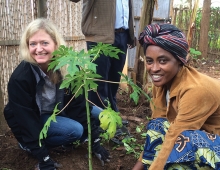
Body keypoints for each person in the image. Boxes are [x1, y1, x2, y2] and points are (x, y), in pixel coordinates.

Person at [3, 18, 110, 170]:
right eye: (33, 44)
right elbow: (26, 120)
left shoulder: (68, 68)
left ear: (56, 44)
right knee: (75, 130)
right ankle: (29, 145)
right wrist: (43, 158)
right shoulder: (20, 78)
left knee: (101, 114)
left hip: (60, 109)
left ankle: (88, 137)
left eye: (44, 43)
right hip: (36, 117)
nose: (39, 49)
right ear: (27, 46)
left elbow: (79, 105)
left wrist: (95, 142)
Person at [132, 23, 220, 170]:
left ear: (179, 60)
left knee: (184, 144)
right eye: (149, 61)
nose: (154, 69)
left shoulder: (195, 90)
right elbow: (158, 130)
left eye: (162, 61)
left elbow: (174, 136)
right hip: (201, 137)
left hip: (213, 145)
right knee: (157, 125)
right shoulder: (160, 85)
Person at [69, 0, 136, 112]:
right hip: (99, 35)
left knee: (114, 79)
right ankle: (98, 120)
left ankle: (112, 114)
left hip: (122, 34)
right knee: (98, 82)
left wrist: (131, 34)